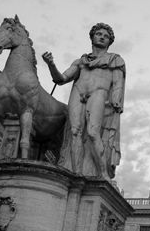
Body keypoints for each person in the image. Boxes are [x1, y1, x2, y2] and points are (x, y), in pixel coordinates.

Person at [42, 23, 125, 179]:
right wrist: (51, 64)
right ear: (92, 37)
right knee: (75, 132)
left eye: (106, 36)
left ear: (110, 42)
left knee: (93, 133)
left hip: (99, 93)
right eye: (99, 34)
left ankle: (103, 174)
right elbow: (61, 79)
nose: (102, 37)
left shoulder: (115, 60)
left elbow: (118, 84)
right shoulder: (81, 61)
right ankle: (76, 174)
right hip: (78, 92)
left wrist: (115, 102)